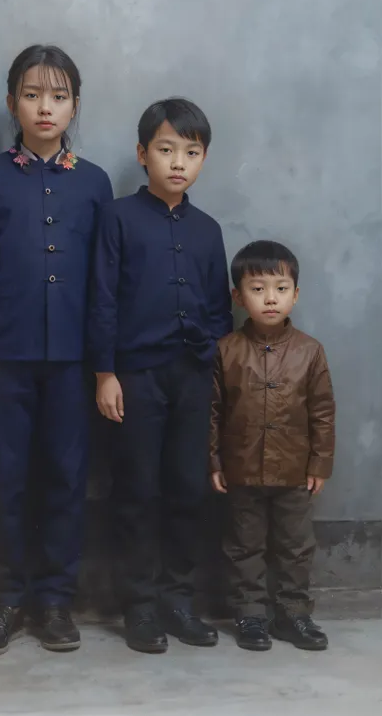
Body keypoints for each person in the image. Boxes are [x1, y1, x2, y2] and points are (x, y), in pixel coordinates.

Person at [0, 44, 113, 658]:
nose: (46, 107)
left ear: (74, 106)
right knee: (3, 480)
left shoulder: (93, 183)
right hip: (3, 359)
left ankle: (54, 600)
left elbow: (104, 280)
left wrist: (104, 367)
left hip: (73, 362)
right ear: (12, 99)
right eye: (33, 93)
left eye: (59, 95)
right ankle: (6, 600)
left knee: (66, 479)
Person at [88, 98, 233, 653]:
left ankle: (179, 601)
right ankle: (140, 606)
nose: (178, 162)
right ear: (142, 153)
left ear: (203, 160)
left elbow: (219, 307)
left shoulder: (208, 229)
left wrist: (209, 366)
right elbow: (101, 300)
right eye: (166, 149)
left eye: (190, 152)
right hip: (135, 376)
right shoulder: (119, 218)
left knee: (185, 489)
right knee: (137, 490)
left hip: (193, 377)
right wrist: (106, 372)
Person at [210, 240, 335, 652]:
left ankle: (293, 614)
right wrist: (213, 459)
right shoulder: (226, 350)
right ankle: (250, 615)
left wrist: (319, 463)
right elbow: (212, 411)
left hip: (295, 471)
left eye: (281, 288)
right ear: (238, 297)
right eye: (258, 288)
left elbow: (322, 411)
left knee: (296, 546)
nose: (270, 298)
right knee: (244, 544)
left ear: (295, 295)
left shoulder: (310, 351)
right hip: (241, 468)